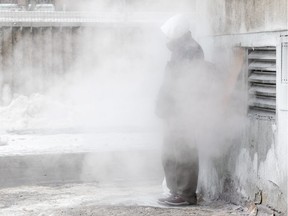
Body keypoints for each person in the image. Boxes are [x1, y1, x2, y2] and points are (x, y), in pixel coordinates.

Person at [156, 15, 219, 206]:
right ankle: (176, 190)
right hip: (174, 109)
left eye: (168, 35)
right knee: (171, 151)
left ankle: (185, 193)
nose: (166, 39)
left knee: (184, 151)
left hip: (183, 109)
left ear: (178, 34)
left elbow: (188, 83)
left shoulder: (190, 50)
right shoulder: (180, 50)